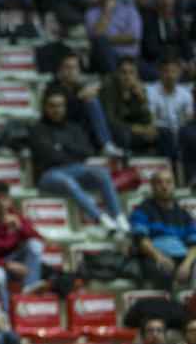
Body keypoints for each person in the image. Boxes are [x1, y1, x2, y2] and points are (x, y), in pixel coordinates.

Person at [29, 89, 128, 235]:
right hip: (48, 174)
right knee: (67, 181)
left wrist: (62, 147)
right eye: (52, 106)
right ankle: (101, 218)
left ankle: (119, 217)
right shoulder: (38, 129)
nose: (57, 110)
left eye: (60, 106)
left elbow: (87, 152)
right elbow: (49, 156)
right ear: (45, 107)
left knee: (102, 174)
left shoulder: (73, 127)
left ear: (65, 108)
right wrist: (71, 152)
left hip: (75, 168)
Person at [0, 182, 46, 309]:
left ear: (9, 200)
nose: (1, 204)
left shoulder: (16, 218)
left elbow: (39, 240)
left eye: (5, 199)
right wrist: (7, 265)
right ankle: (6, 315)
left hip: (15, 262)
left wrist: (20, 227)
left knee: (35, 245)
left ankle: (29, 289)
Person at [45, 51, 123, 157]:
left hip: (82, 126)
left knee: (118, 129)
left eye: (74, 68)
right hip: (63, 126)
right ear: (60, 70)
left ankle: (109, 146)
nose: (71, 71)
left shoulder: (79, 87)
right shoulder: (53, 88)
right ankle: (105, 144)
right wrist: (79, 98)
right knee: (91, 101)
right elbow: (57, 113)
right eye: (67, 67)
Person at [130, 169, 196, 291]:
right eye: (159, 182)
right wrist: (159, 257)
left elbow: (194, 244)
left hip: (182, 257)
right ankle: (168, 307)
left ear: (174, 186)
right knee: (164, 271)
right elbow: (140, 239)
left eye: (168, 182)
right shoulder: (143, 210)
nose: (164, 186)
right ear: (152, 186)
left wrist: (186, 265)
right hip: (154, 257)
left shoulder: (183, 214)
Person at [99, 57, 159, 156]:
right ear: (117, 74)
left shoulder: (138, 90)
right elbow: (110, 120)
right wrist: (135, 128)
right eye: (124, 72)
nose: (127, 77)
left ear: (136, 75)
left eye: (131, 73)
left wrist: (142, 99)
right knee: (124, 135)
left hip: (133, 130)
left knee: (161, 133)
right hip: (114, 131)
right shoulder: (109, 88)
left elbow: (146, 119)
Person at [86, 0, 144, 76]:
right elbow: (96, 38)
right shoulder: (91, 13)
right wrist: (107, 12)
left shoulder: (130, 10)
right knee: (100, 43)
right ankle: (115, 79)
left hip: (130, 59)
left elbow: (134, 37)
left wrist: (106, 40)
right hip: (106, 58)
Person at [146, 56, 193, 163]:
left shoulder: (185, 94)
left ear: (179, 73)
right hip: (160, 129)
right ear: (160, 72)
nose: (170, 75)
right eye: (166, 71)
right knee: (166, 134)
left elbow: (188, 117)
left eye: (173, 71)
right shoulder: (151, 91)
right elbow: (151, 117)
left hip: (180, 130)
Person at [142, 0, 193, 77]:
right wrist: (176, 61)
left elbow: (186, 44)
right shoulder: (148, 20)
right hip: (157, 62)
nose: (165, 1)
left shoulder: (178, 20)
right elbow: (151, 49)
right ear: (155, 0)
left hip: (179, 62)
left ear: (174, 0)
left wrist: (189, 61)